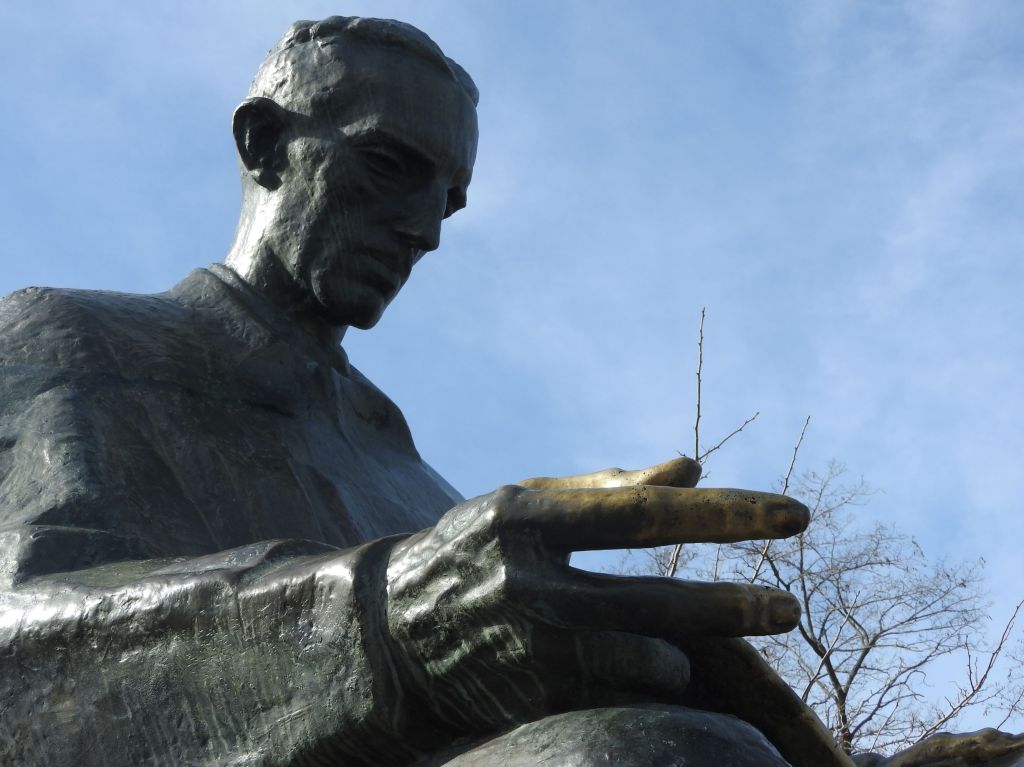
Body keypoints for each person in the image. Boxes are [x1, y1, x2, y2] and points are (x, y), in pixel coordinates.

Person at [0, 16, 853, 767]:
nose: (424, 230)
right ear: (265, 143)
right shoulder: (67, 338)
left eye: (448, 201)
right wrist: (381, 618)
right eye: (386, 164)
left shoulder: (412, 479)